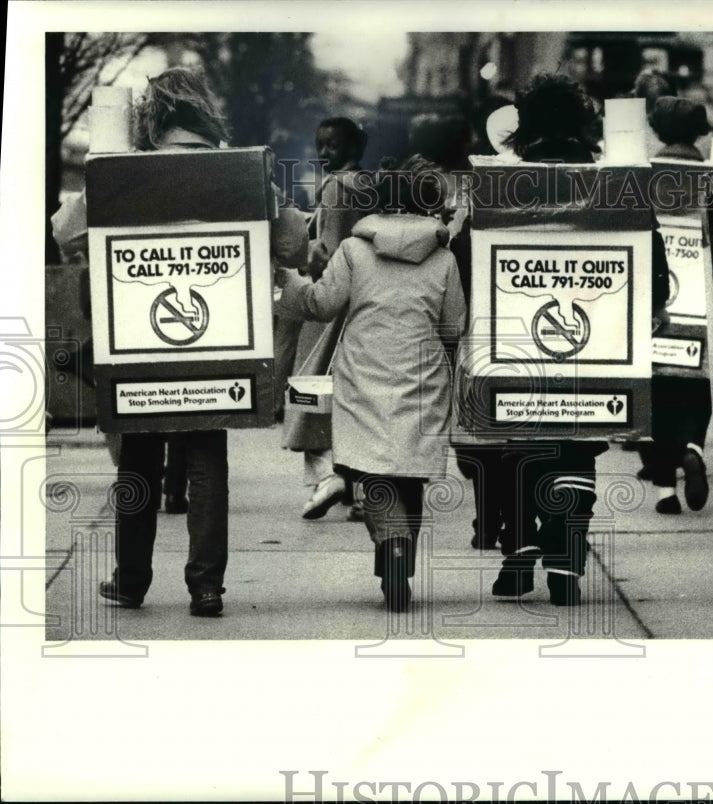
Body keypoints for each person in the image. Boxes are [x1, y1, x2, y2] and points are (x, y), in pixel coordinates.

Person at [53, 68, 308, 617]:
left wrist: (106, 167)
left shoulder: (127, 170)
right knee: (206, 462)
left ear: (152, 116)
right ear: (205, 112)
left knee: (138, 464)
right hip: (217, 344)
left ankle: (130, 580)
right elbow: (292, 241)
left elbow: (64, 233)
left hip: (139, 347)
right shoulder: (236, 170)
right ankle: (207, 587)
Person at [489, 74, 668, 605]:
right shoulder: (613, 186)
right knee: (575, 453)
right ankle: (566, 560)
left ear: (524, 124)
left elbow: (470, 263)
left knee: (517, 451)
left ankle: (518, 554)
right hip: (596, 343)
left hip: (515, 345)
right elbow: (653, 263)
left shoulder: (501, 186)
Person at [275, 155, 466, 611]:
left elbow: (321, 304)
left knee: (370, 470)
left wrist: (288, 282)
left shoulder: (354, 252)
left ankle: (392, 545)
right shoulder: (443, 259)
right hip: (422, 376)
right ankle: (401, 557)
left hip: (363, 372)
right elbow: (454, 326)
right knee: (410, 473)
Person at [278, 117, 370, 520]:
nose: (323, 152)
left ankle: (325, 478)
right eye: (320, 144)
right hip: (365, 305)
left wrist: (306, 254)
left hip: (329, 305)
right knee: (357, 400)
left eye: (332, 145)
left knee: (311, 394)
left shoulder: (335, 188)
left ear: (352, 148)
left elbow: (329, 251)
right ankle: (363, 490)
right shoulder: (370, 187)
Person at [639, 96, 713, 515]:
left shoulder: (641, 177)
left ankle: (665, 489)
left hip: (656, 307)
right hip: (702, 307)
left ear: (657, 130)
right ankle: (694, 448)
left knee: (657, 398)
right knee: (697, 392)